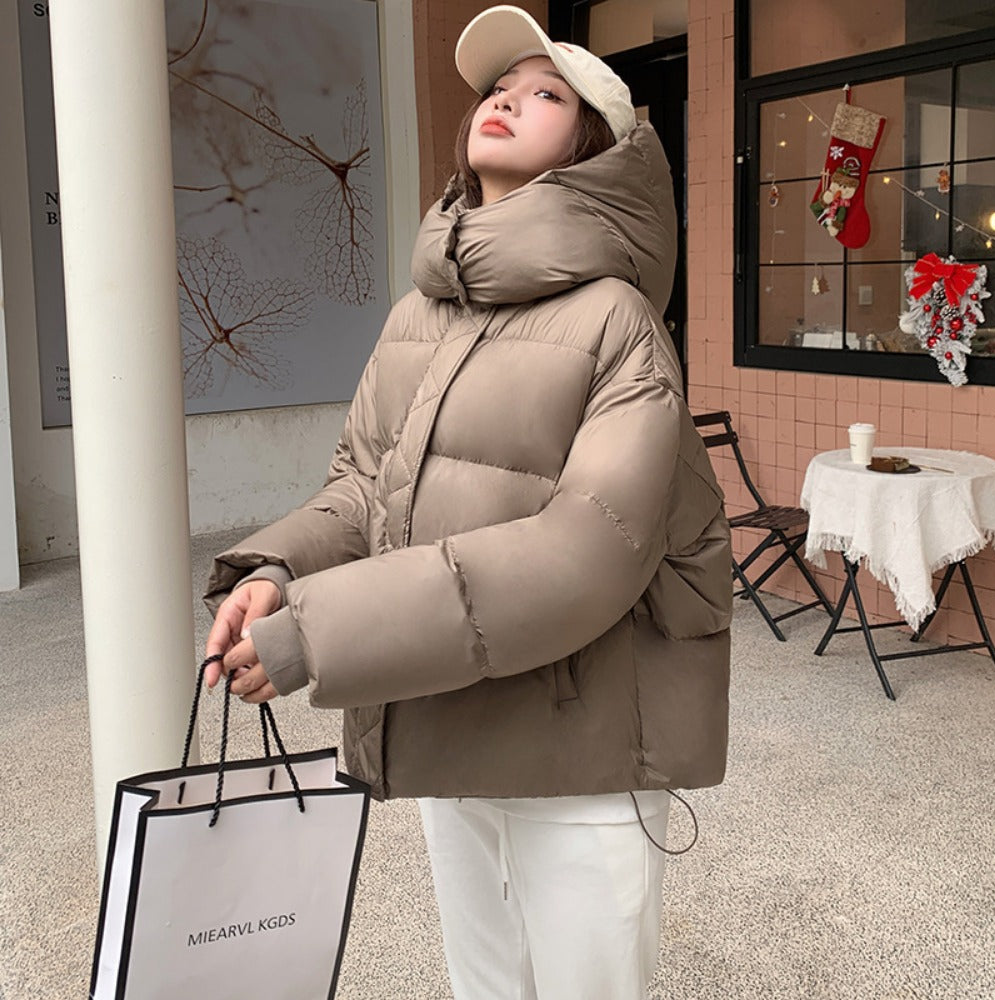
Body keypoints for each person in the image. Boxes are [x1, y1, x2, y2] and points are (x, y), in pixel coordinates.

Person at [204, 6, 732, 999]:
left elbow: (584, 552)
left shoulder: (618, 324)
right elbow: (363, 487)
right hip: (447, 721)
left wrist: (318, 628)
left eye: (545, 93)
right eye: (497, 87)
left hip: (580, 750)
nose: (505, 100)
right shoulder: (418, 316)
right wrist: (276, 571)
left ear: (595, 149)